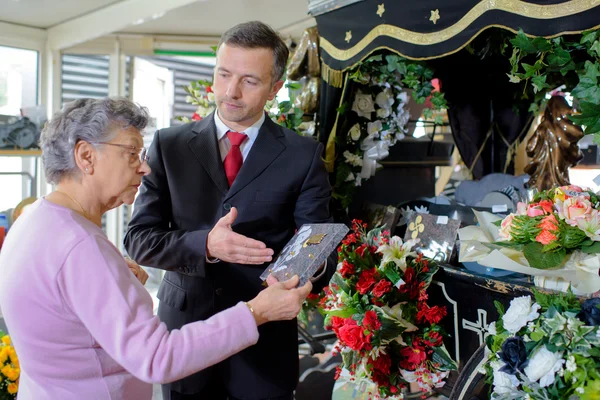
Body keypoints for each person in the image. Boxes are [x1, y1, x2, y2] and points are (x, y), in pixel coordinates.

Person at [0, 97, 312, 400]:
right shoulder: (81, 247)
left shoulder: (33, 221)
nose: (144, 168)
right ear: (86, 156)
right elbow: (157, 357)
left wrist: (116, 288)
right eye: (132, 153)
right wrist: (257, 312)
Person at [124, 21, 334, 400]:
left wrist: (303, 275)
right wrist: (206, 245)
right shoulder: (168, 145)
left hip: (265, 343)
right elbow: (139, 240)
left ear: (275, 88)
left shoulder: (303, 155)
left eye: (249, 81)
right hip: (184, 337)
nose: (230, 92)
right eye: (223, 75)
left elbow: (317, 245)